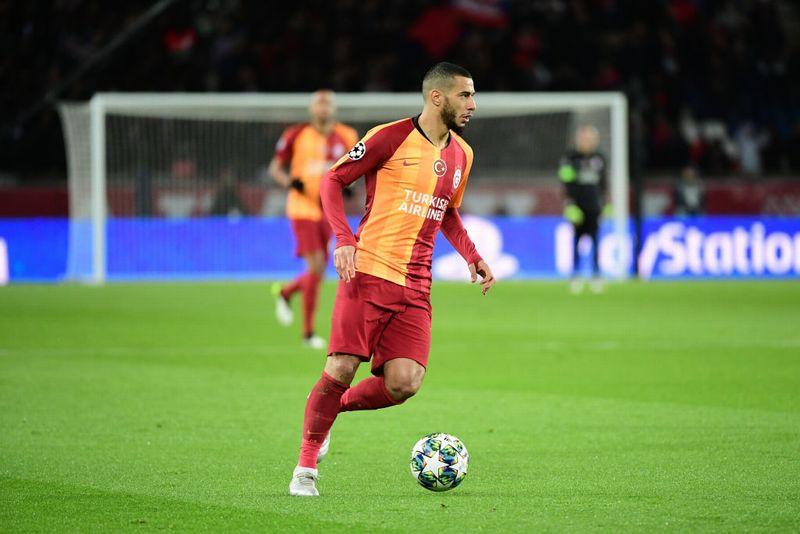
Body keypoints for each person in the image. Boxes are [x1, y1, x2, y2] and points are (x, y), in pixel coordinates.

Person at [288, 62, 495, 497]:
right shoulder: (389, 136)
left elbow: (447, 211)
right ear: (436, 97)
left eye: (473, 95)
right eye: (465, 95)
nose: (473, 104)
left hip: (416, 286)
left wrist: (472, 254)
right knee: (341, 368)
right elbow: (332, 180)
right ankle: (305, 469)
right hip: (368, 272)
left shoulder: (463, 154)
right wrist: (344, 239)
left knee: (404, 383)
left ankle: (329, 410)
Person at [268, 90, 359, 348]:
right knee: (317, 265)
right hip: (302, 207)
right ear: (312, 109)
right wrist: (291, 183)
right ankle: (308, 333)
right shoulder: (295, 134)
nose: (323, 108)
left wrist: (350, 184)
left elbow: (356, 167)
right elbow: (275, 168)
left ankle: (286, 292)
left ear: (334, 108)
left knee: (318, 270)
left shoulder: (348, 135)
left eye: (327, 104)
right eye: (319, 104)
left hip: (330, 209)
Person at [559, 124, 607, 294]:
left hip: (594, 208)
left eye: (590, 139)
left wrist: (605, 203)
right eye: (584, 138)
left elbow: (603, 184)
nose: (587, 142)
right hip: (577, 208)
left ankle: (596, 275)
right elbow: (566, 182)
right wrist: (569, 204)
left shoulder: (600, 158)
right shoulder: (570, 158)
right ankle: (576, 275)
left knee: (596, 242)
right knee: (576, 242)